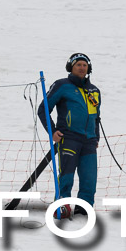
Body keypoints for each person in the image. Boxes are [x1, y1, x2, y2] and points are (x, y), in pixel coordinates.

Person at [37, 53, 101, 219]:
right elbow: (43, 109)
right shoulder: (62, 85)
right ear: (71, 67)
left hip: (89, 141)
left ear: (89, 68)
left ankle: (84, 207)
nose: (81, 67)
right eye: (78, 64)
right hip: (69, 138)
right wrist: (52, 131)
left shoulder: (94, 90)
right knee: (66, 174)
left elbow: (96, 117)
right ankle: (62, 204)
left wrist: (96, 138)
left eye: (84, 65)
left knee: (89, 177)